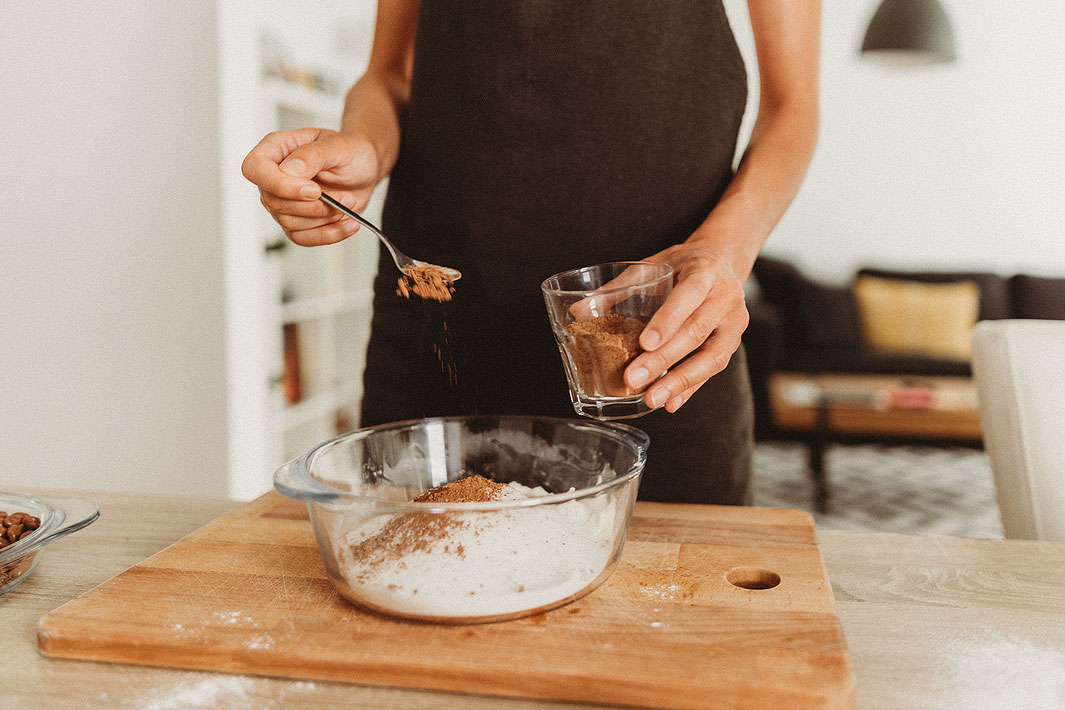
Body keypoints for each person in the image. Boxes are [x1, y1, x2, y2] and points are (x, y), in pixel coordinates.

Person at [242, 1, 820, 505]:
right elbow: (389, 75)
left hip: (659, 337)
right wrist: (364, 146)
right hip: (442, 326)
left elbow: (792, 105)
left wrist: (722, 253)